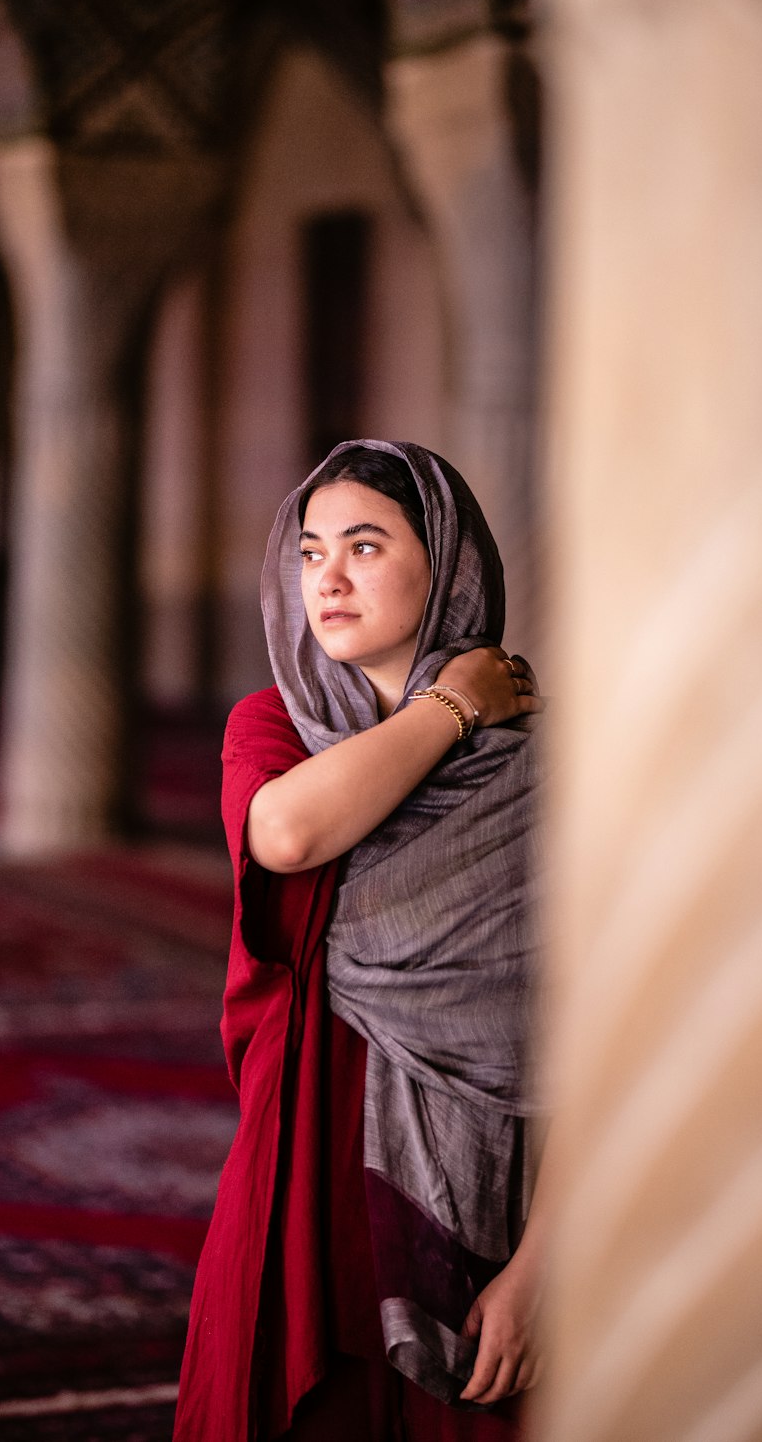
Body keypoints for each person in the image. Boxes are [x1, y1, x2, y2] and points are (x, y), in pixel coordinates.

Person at [174, 439, 547, 1442]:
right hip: (301, 1176)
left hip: (488, 1206)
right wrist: (453, 707)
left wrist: (544, 1262)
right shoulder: (275, 730)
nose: (325, 578)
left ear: (447, 569)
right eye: (307, 552)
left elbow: (598, 1040)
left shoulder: (539, 778)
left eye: (365, 546)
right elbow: (289, 834)